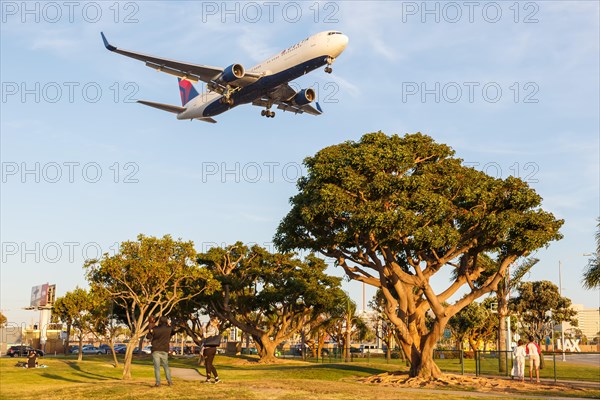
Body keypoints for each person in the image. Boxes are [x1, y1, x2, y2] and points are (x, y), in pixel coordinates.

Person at [146, 316, 174, 387]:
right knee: (166, 366)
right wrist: (169, 324)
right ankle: (169, 381)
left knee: (157, 367)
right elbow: (173, 331)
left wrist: (150, 329)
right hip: (164, 349)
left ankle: (158, 383)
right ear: (166, 321)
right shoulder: (169, 329)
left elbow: (148, 337)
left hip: (156, 349)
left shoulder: (155, 329)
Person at [202, 317, 221, 384]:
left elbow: (205, 336)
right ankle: (216, 378)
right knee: (210, 364)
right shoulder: (217, 329)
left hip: (208, 348)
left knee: (207, 364)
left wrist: (204, 330)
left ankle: (208, 379)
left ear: (212, 322)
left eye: (210, 321)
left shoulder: (211, 328)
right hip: (214, 348)